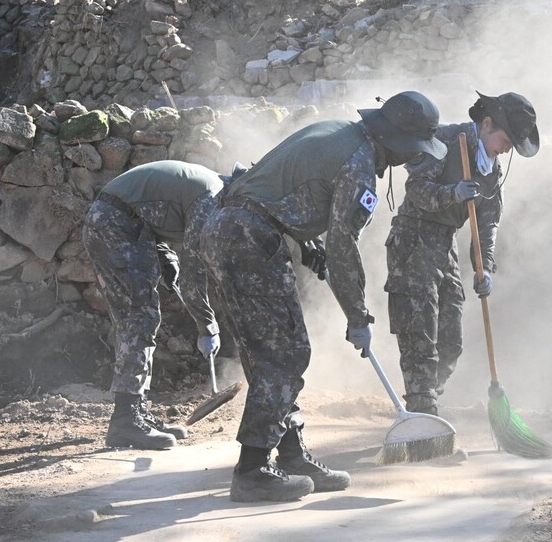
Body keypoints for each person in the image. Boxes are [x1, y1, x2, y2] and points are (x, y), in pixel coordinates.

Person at [199, 91, 447, 503]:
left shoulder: (338, 131)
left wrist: (301, 234)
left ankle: (291, 453)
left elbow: (279, 184)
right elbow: (344, 247)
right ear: (400, 143)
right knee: (286, 354)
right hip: (248, 239)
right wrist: (358, 316)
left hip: (227, 228)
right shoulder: (360, 166)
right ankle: (252, 470)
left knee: (269, 352)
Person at [385, 91, 539, 415]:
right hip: (413, 237)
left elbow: (487, 223)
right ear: (486, 124)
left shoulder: (492, 170)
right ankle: (423, 409)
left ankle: (427, 399)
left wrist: (486, 268)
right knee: (420, 330)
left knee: (451, 341)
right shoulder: (445, 140)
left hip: (444, 244)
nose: (508, 149)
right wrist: (452, 194)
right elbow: (416, 189)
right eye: (506, 140)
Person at [82, 160, 225, 450]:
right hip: (116, 225)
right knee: (139, 317)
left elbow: (150, 209)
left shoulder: (209, 187)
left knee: (142, 316)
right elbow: (193, 275)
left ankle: (137, 412)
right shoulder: (211, 198)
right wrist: (207, 326)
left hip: (125, 223)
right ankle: (126, 419)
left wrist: (164, 254)